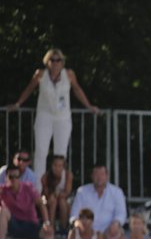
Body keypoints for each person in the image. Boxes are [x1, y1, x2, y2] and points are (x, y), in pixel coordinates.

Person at [7, 48, 100, 185]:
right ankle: (37, 188)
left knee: (61, 154)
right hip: (44, 116)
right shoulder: (40, 74)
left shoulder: (69, 74)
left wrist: (89, 106)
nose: (55, 63)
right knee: (41, 152)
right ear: (47, 62)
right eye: (52, 60)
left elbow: (77, 89)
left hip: (63, 118)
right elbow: (29, 88)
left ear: (62, 62)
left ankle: (59, 188)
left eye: (58, 60)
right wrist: (18, 103)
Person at [69, 163, 127, 239]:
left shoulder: (117, 192)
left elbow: (121, 213)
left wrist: (116, 223)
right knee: (73, 233)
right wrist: (77, 223)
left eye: (102, 174)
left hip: (108, 229)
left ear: (107, 176)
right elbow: (74, 214)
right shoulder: (82, 191)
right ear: (92, 176)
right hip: (87, 229)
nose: (99, 177)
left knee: (116, 234)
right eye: (96, 174)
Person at [0, 164, 54, 239]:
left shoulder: (28, 187)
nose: (14, 179)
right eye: (11, 177)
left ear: (20, 178)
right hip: (14, 226)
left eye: (16, 176)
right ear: (6, 178)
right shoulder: (3, 190)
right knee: (3, 211)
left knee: (49, 232)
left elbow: (41, 204)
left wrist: (46, 223)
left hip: (31, 224)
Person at [40, 154, 73, 233]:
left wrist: (57, 195)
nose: (57, 168)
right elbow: (46, 193)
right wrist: (54, 195)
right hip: (50, 199)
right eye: (55, 165)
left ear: (63, 167)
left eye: (60, 166)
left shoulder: (68, 175)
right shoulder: (45, 177)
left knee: (62, 201)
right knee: (53, 200)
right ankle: (51, 226)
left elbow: (67, 192)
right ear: (51, 166)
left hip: (64, 199)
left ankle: (63, 227)